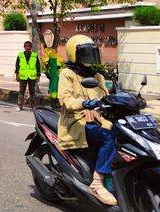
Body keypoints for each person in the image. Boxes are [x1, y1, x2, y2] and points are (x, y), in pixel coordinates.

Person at [57, 35, 117, 207]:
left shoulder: (97, 75)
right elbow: (65, 100)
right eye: (85, 54)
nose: (89, 58)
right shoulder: (67, 74)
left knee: (122, 133)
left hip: (97, 119)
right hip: (76, 122)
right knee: (109, 137)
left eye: (91, 53)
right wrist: (84, 103)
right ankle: (97, 183)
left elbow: (106, 95)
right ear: (74, 55)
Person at [15, 41, 40, 110]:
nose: (28, 48)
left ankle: (33, 106)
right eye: (27, 46)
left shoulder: (35, 55)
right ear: (24, 47)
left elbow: (38, 66)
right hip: (23, 76)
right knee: (21, 91)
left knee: (32, 92)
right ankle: (19, 106)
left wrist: (38, 76)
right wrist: (17, 75)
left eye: (29, 46)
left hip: (32, 76)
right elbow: (17, 66)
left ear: (31, 47)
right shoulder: (20, 55)